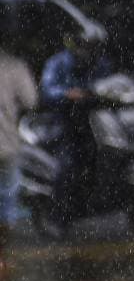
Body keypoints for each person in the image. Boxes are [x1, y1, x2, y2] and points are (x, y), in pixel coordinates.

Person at [39, 32, 114, 220]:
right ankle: (58, 217)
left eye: (94, 46)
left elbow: (111, 84)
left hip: (95, 123)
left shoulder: (100, 64)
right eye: (86, 45)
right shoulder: (59, 63)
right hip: (65, 122)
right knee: (67, 165)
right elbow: (47, 90)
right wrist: (67, 94)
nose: (89, 50)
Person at [0, 48, 37, 281]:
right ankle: (2, 259)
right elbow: (31, 100)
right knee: (6, 206)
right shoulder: (13, 66)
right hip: (6, 147)